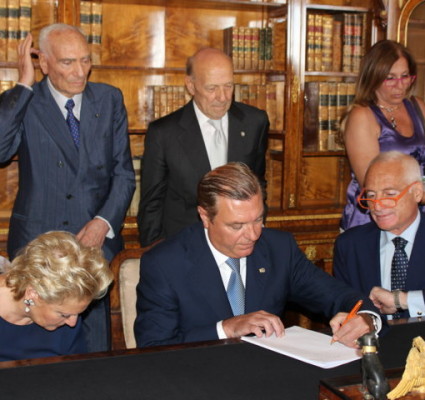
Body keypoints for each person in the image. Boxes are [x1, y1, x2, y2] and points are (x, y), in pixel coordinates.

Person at [135, 162, 380, 348]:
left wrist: (366, 317)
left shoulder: (278, 248)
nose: (252, 235)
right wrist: (226, 328)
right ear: (205, 217)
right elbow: (153, 347)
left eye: (258, 219)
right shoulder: (165, 264)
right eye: (237, 226)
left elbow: (338, 295)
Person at [0, 24, 135, 352]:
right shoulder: (27, 100)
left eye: (85, 60)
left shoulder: (109, 98)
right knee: (34, 346)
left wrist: (102, 223)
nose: (79, 72)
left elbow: (124, 174)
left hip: (93, 246)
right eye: (67, 62)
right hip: (36, 244)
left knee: (92, 344)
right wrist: (23, 83)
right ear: (44, 63)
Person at [137, 47, 269, 247]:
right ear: (191, 85)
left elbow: (258, 184)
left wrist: (255, 230)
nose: (222, 97)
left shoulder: (254, 122)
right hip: (184, 245)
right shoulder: (164, 133)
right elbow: (151, 204)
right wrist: (155, 253)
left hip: (242, 242)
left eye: (228, 86)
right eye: (212, 88)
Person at [340, 40, 425, 231]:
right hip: (378, 218)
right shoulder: (362, 115)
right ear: (373, 77)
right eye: (390, 78)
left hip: (421, 216)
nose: (400, 85)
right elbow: (370, 186)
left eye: (405, 76)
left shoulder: (417, 106)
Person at [334, 151, 425, 320]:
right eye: (371, 195)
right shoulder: (350, 244)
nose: (378, 206)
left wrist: (403, 300)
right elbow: (344, 306)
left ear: (417, 192)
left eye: (390, 194)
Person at [0, 231, 113, 361]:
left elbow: (75, 369)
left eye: (78, 314)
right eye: (64, 315)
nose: (72, 323)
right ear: (33, 294)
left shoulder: (69, 310)